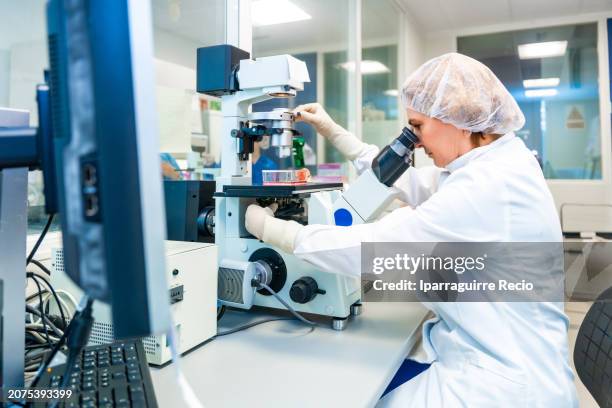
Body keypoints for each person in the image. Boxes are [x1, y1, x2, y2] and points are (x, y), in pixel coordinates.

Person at [244, 53, 577, 407]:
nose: (413, 140)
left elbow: (374, 246)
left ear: (458, 119)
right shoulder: (493, 162)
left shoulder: (487, 185)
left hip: (503, 383)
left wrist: (277, 231)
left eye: (417, 126)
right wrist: (335, 133)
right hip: (483, 345)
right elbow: (412, 181)